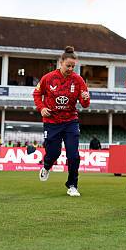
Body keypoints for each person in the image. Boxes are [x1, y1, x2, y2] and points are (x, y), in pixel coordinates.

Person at [33, 46, 90, 197]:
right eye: (68, 65)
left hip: (71, 121)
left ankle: (72, 185)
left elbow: (85, 104)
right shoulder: (48, 78)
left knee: (74, 155)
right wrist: (41, 108)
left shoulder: (78, 80)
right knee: (54, 152)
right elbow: (37, 94)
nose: (71, 68)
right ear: (61, 62)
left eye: (73, 66)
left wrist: (85, 98)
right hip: (52, 121)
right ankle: (46, 166)